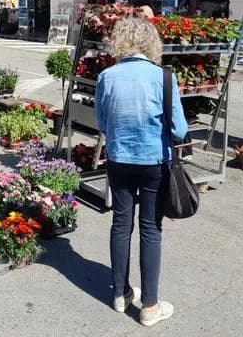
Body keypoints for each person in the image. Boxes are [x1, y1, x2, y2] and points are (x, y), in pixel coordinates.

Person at [95, 17, 187, 328]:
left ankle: (120, 294)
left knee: (121, 224)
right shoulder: (164, 78)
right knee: (151, 229)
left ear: (119, 42)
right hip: (153, 161)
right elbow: (180, 130)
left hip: (119, 159)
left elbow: (102, 122)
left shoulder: (107, 76)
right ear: (151, 43)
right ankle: (149, 305)